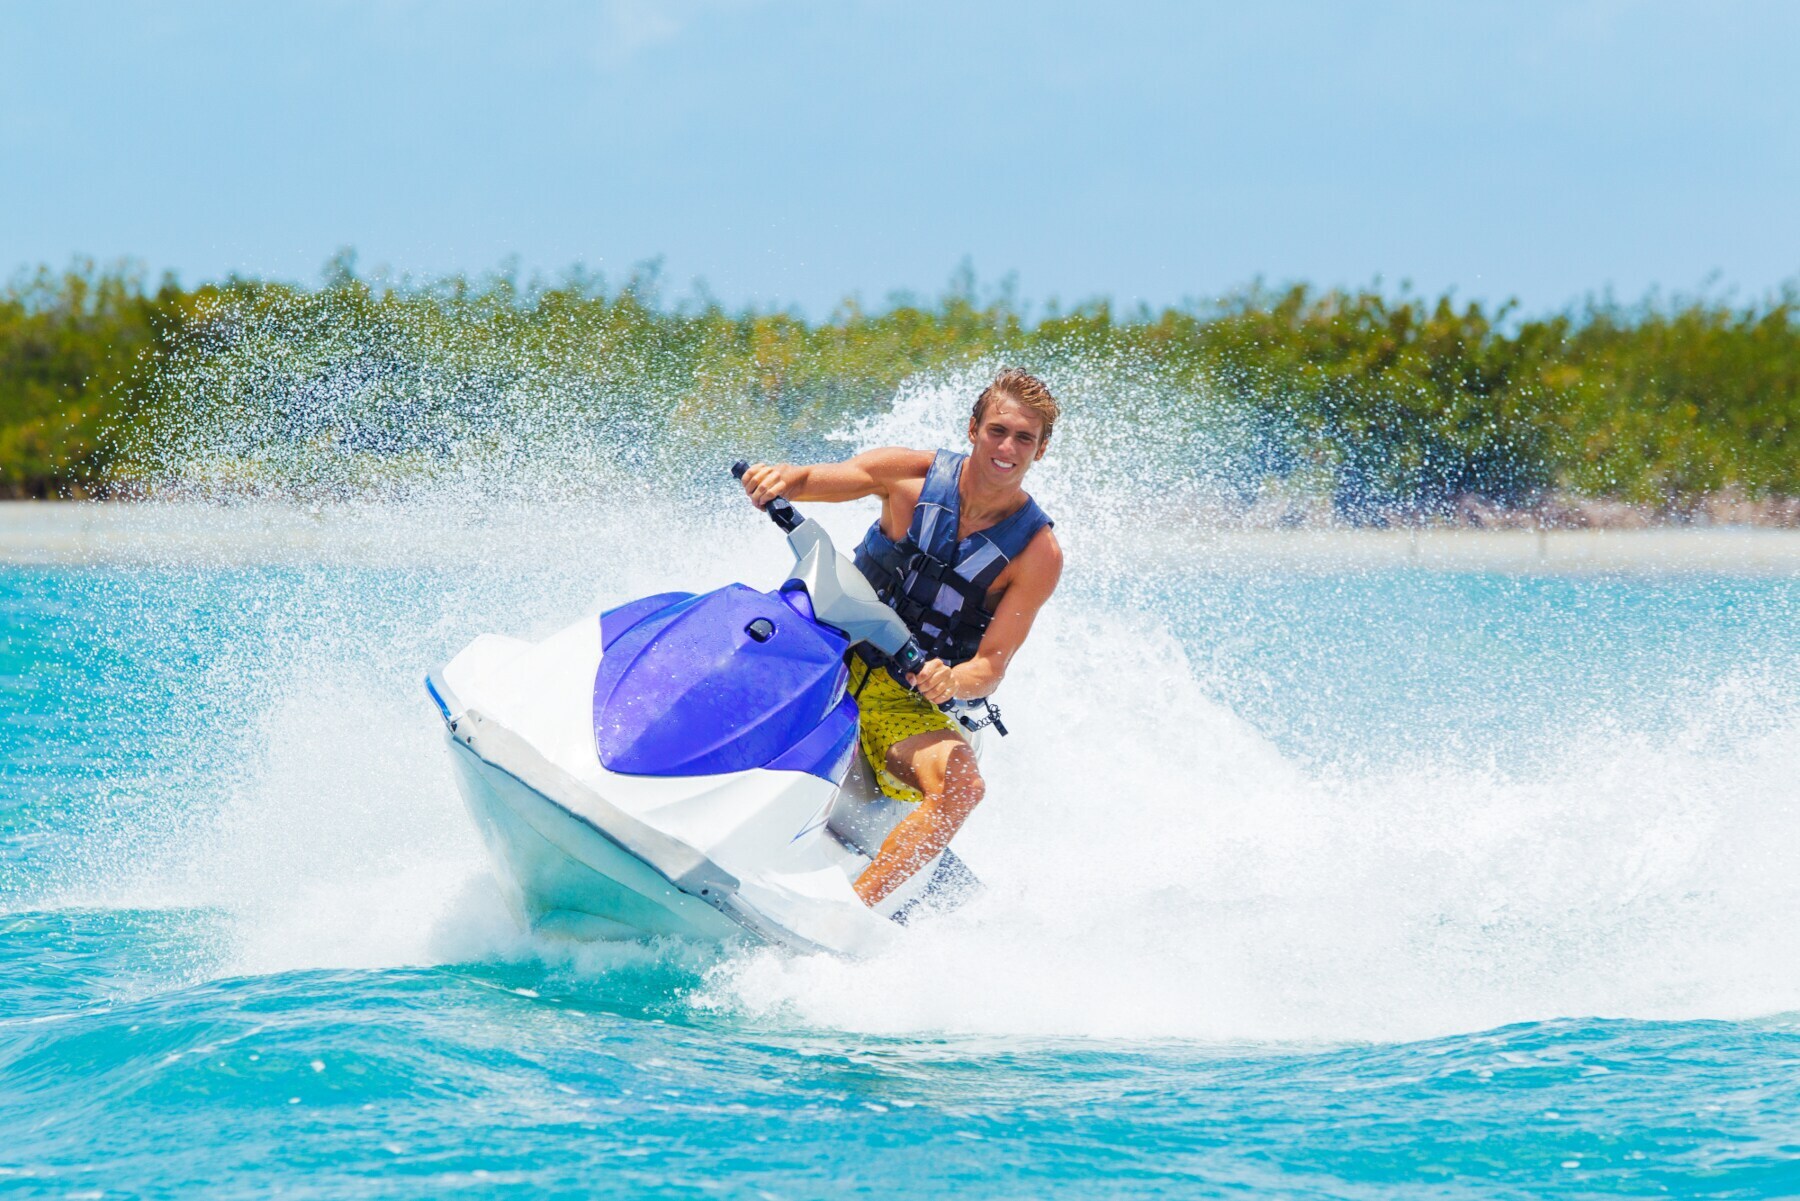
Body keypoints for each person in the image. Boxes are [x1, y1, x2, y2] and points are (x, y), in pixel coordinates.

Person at [738, 369, 1063, 907]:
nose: (1007, 448)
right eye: (997, 431)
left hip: (904, 695)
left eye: (1024, 438)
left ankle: (852, 915)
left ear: (1041, 450)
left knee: (964, 788)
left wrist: (951, 678)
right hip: (828, 646)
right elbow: (811, 479)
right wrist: (779, 481)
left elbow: (991, 667)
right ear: (973, 429)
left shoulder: (1037, 554)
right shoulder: (908, 476)